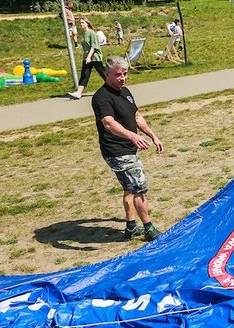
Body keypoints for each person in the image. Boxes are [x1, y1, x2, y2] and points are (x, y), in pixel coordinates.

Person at [91, 56, 164, 242]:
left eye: (125, 74)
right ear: (107, 74)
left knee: (130, 188)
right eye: (118, 75)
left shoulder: (125, 92)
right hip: (116, 151)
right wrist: (133, 136)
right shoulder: (101, 97)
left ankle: (131, 227)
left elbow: (137, 116)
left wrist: (152, 135)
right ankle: (149, 229)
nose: (122, 78)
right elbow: (108, 123)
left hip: (129, 148)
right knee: (139, 188)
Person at [68, 18, 106, 99]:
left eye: (82, 22)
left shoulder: (91, 33)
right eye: (80, 23)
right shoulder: (84, 33)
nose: (81, 24)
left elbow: (94, 46)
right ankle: (79, 93)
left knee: (103, 72)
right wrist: (86, 57)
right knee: (85, 74)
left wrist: (89, 57)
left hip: (94, 57)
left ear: (87, 23)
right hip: (87, 57)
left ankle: (114, 85)